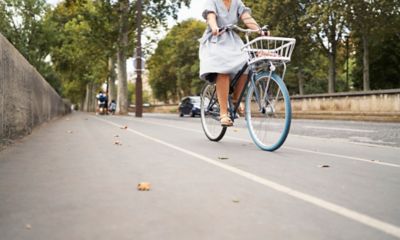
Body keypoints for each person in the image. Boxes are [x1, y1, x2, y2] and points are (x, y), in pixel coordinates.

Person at [199, 0, 264, 126]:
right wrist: (214, 27)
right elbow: (211, 16)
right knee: (223, 69)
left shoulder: (237, 3)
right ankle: (223, 113)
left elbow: (247, 18)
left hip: (233, 41)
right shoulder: (212, 1)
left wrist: (259, 30)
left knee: (246, 65)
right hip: (215, 39)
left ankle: (235, 99)